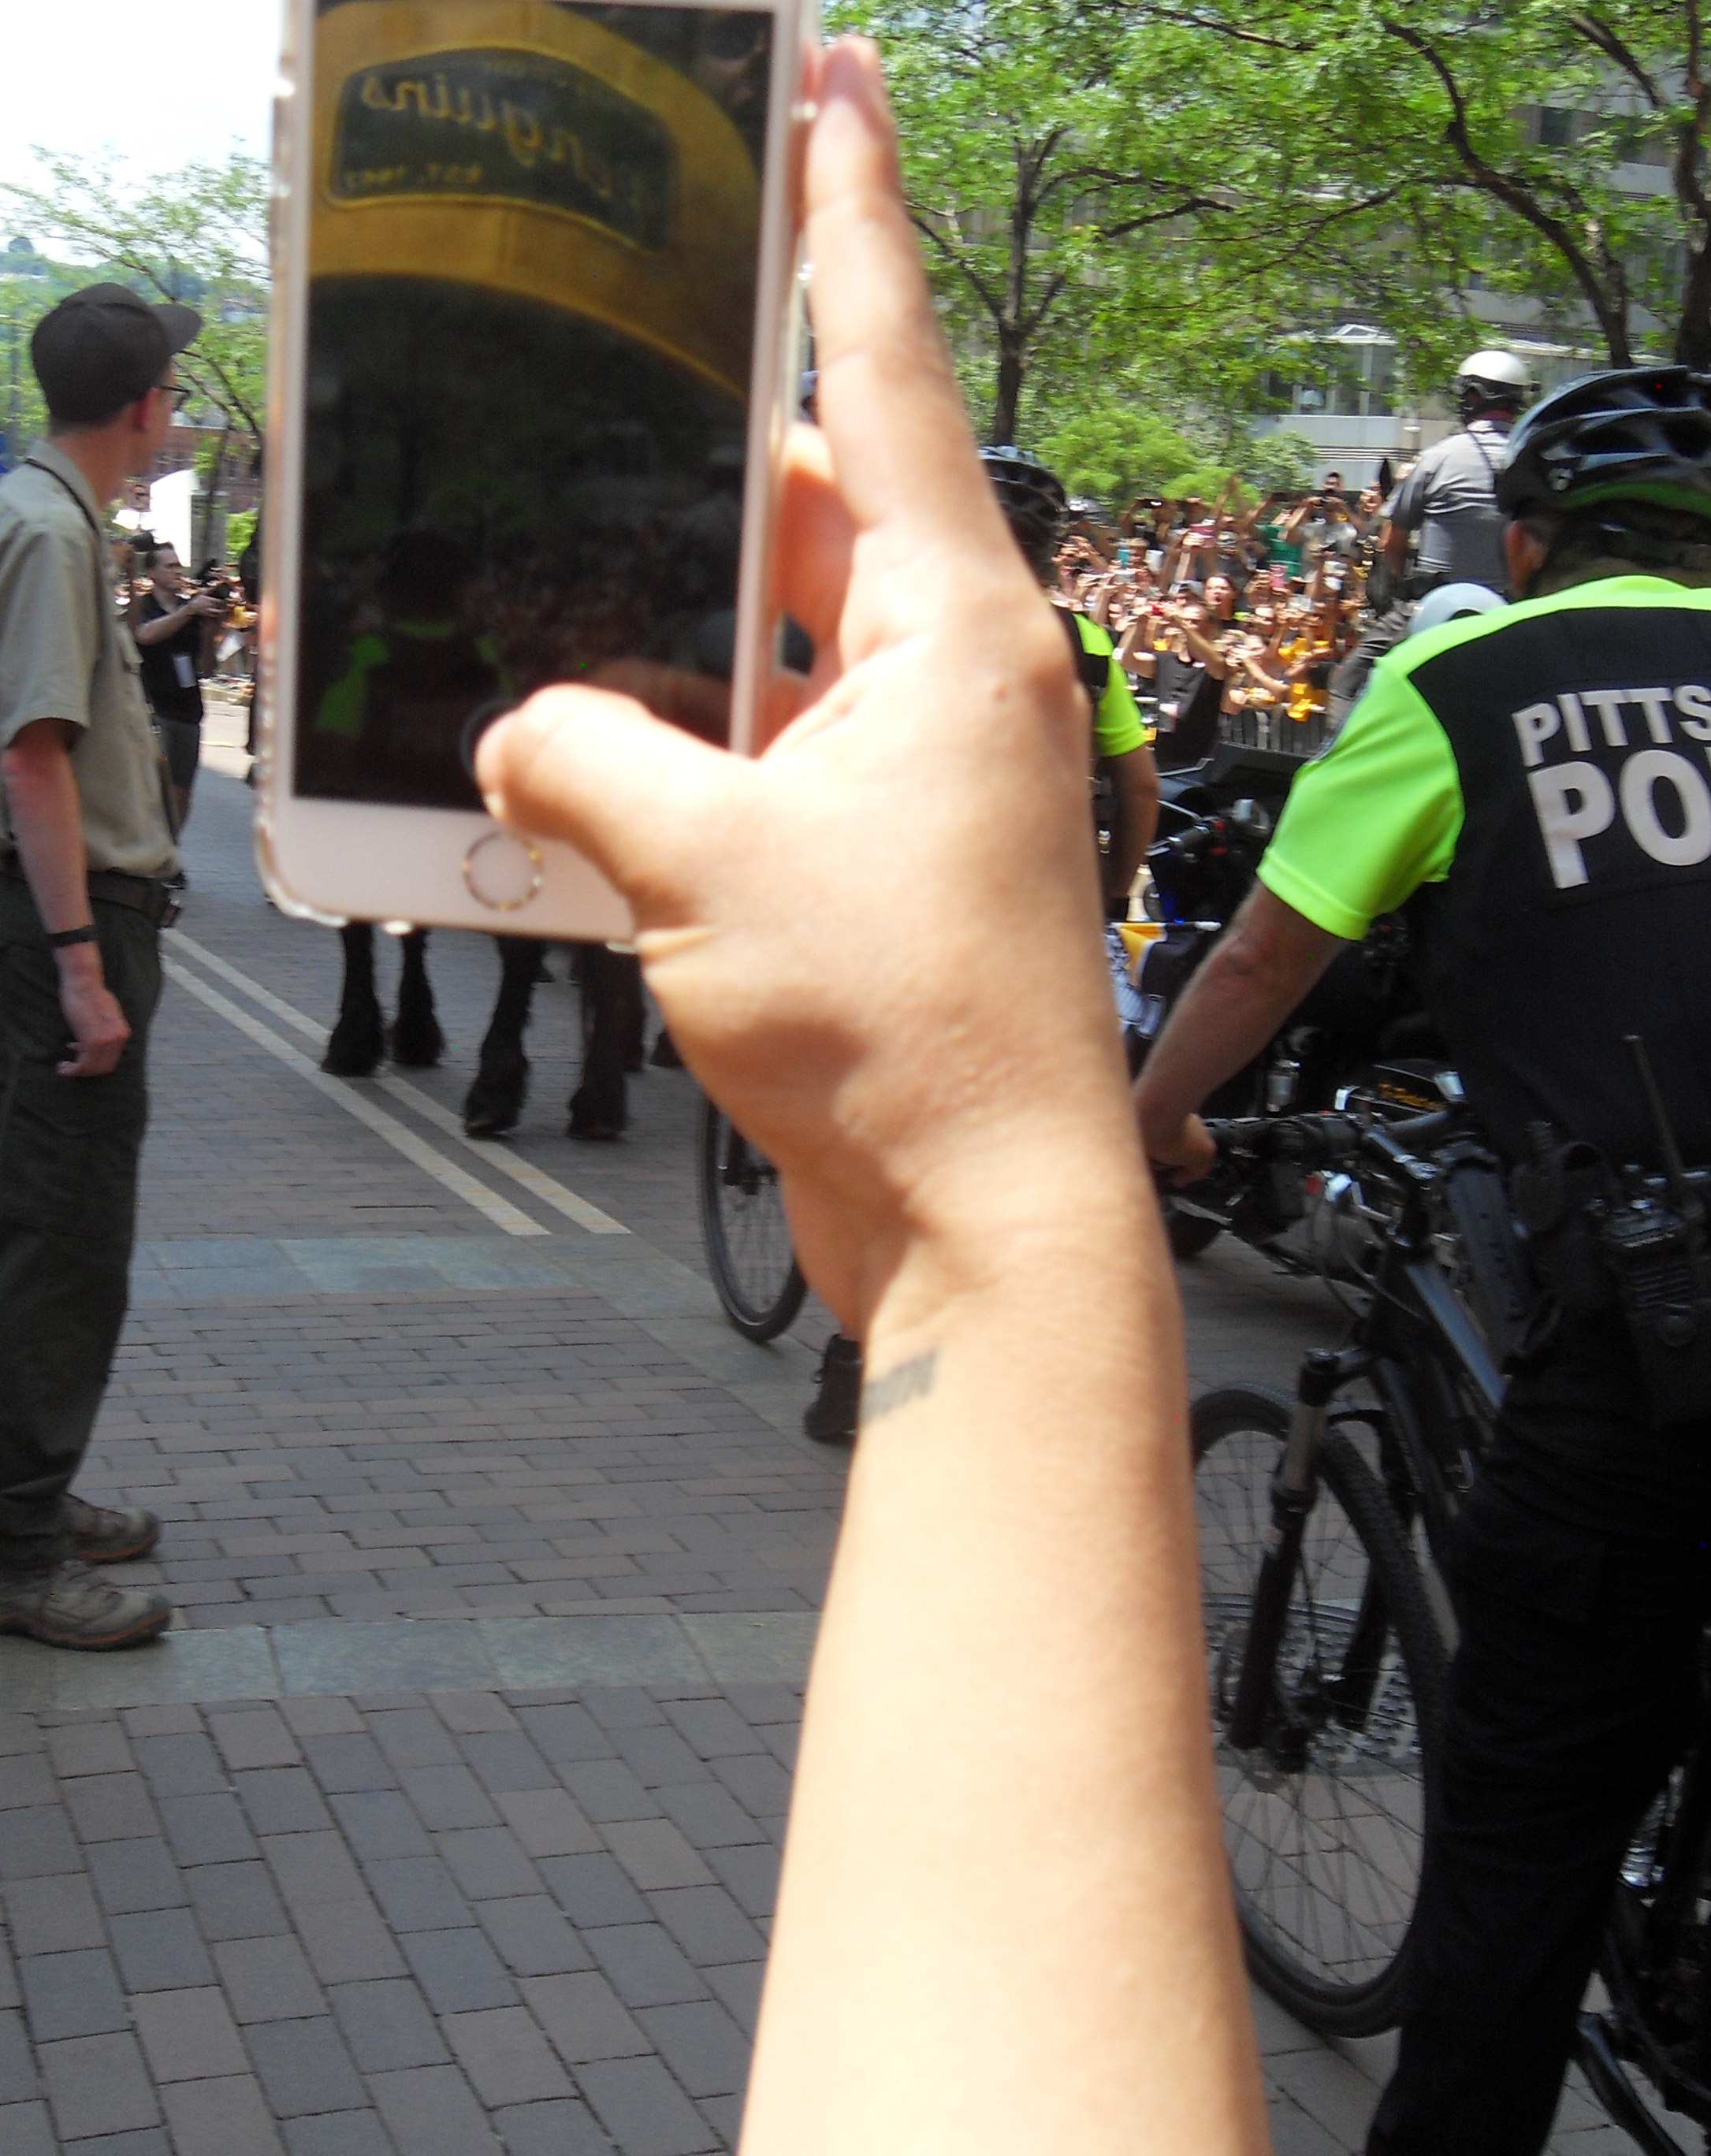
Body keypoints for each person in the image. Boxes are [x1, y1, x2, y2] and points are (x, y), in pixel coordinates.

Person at [478, 38, 1265, 2146]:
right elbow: (1110, 779)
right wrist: (994, 1191)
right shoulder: (1073, 644)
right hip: (1011, 934)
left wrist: (971, 1227)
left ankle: (854, 1360)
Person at [1131, 365, 1711, 2155]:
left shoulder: (1461, 679)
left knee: (1524, 1814)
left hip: (1664, 1300)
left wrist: (1145, 1119)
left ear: (1521, 539)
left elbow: (1260, 961)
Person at [801, 443, 1162, 1446]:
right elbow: (1138, 788)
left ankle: (849, 1367)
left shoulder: (896, 635)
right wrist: (1111, 890)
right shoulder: (1085, 646)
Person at [0, 282, 197, 1650]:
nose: (176, 416)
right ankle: (11, 1548)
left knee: (41, 1222)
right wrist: (84, 965)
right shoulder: (45, 529)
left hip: (62, 916)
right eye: (173, 395)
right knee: (66, 1236)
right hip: (72, 919)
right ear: (144, 404)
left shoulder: (30, 512)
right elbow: (34, 756)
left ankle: (9, 1497)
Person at [1329, 349, 1529, 720]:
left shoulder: (1438, 458)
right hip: (1515, 611)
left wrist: (1403, 588)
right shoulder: (1537, 460)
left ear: (1472, 397)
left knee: (1345, 684)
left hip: (1437, 603)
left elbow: (1392, 540)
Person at [128, 540, 218, 837]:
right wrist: (189, 611)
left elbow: (208, 666)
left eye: (178, 565)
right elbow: (144, 635)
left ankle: (170, 850)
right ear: (151, 573)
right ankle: (153, 853)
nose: (176, 571)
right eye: (169, 566)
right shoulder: (143, 606)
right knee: (157, 787)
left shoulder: (190, 609)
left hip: (188, 710)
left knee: (182, 791)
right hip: (155, 709)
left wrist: (210, 629)